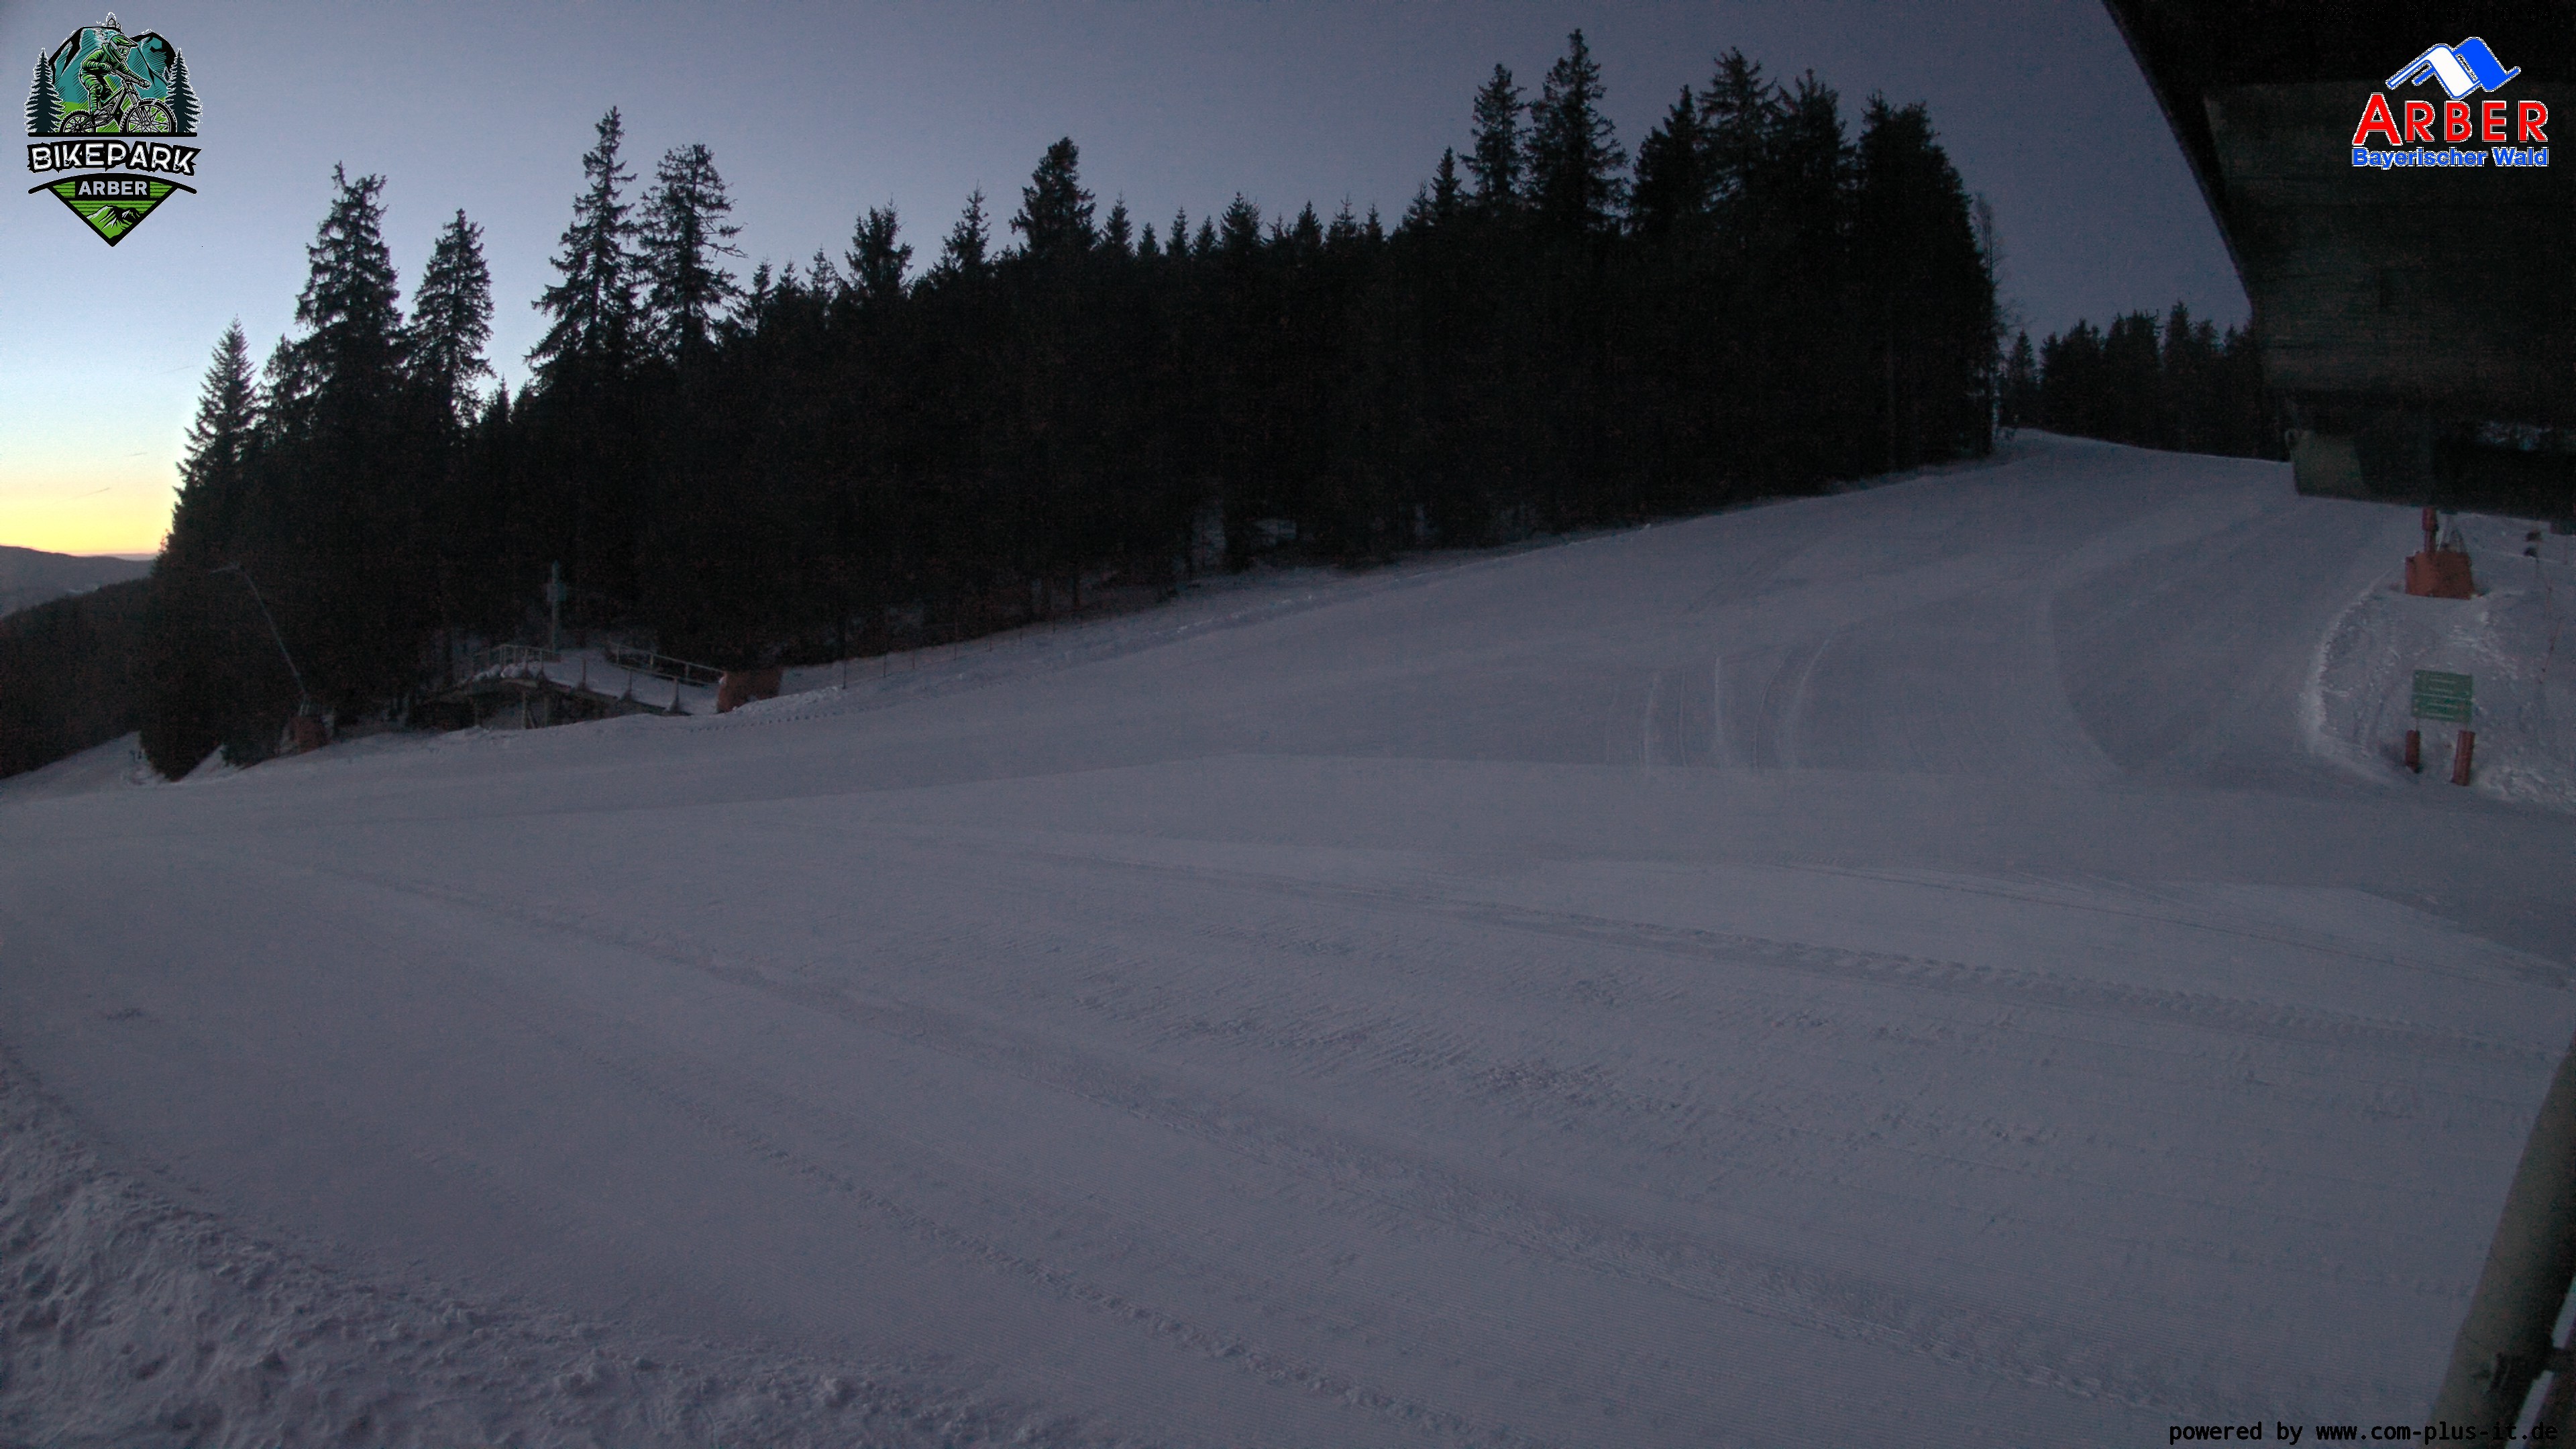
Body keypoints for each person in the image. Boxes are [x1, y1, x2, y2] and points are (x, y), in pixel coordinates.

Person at [77, 15, 147, 127]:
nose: (125, 54)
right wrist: (101, 65)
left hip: (99, 77)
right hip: (88, 74)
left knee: (114, 104)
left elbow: (128, 72)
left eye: (127, 51)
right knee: (97, 87)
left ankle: (123, 128)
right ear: (114, 47)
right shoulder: (102, 53)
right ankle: (94, 112)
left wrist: (140, 81)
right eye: (122, 50)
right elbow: (85, 64)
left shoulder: (118, 62)